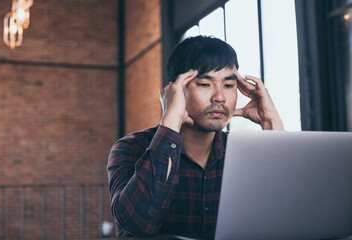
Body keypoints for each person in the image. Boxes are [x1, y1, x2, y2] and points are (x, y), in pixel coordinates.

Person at [107, 35, 284, 239]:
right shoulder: (129, 148)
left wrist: (270, 121)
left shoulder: (243, 153)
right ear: (176, 90)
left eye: (228, 85)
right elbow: (139, 225)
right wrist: (171, 119)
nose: (220, 97)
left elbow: (285, 212)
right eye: (205, 84)